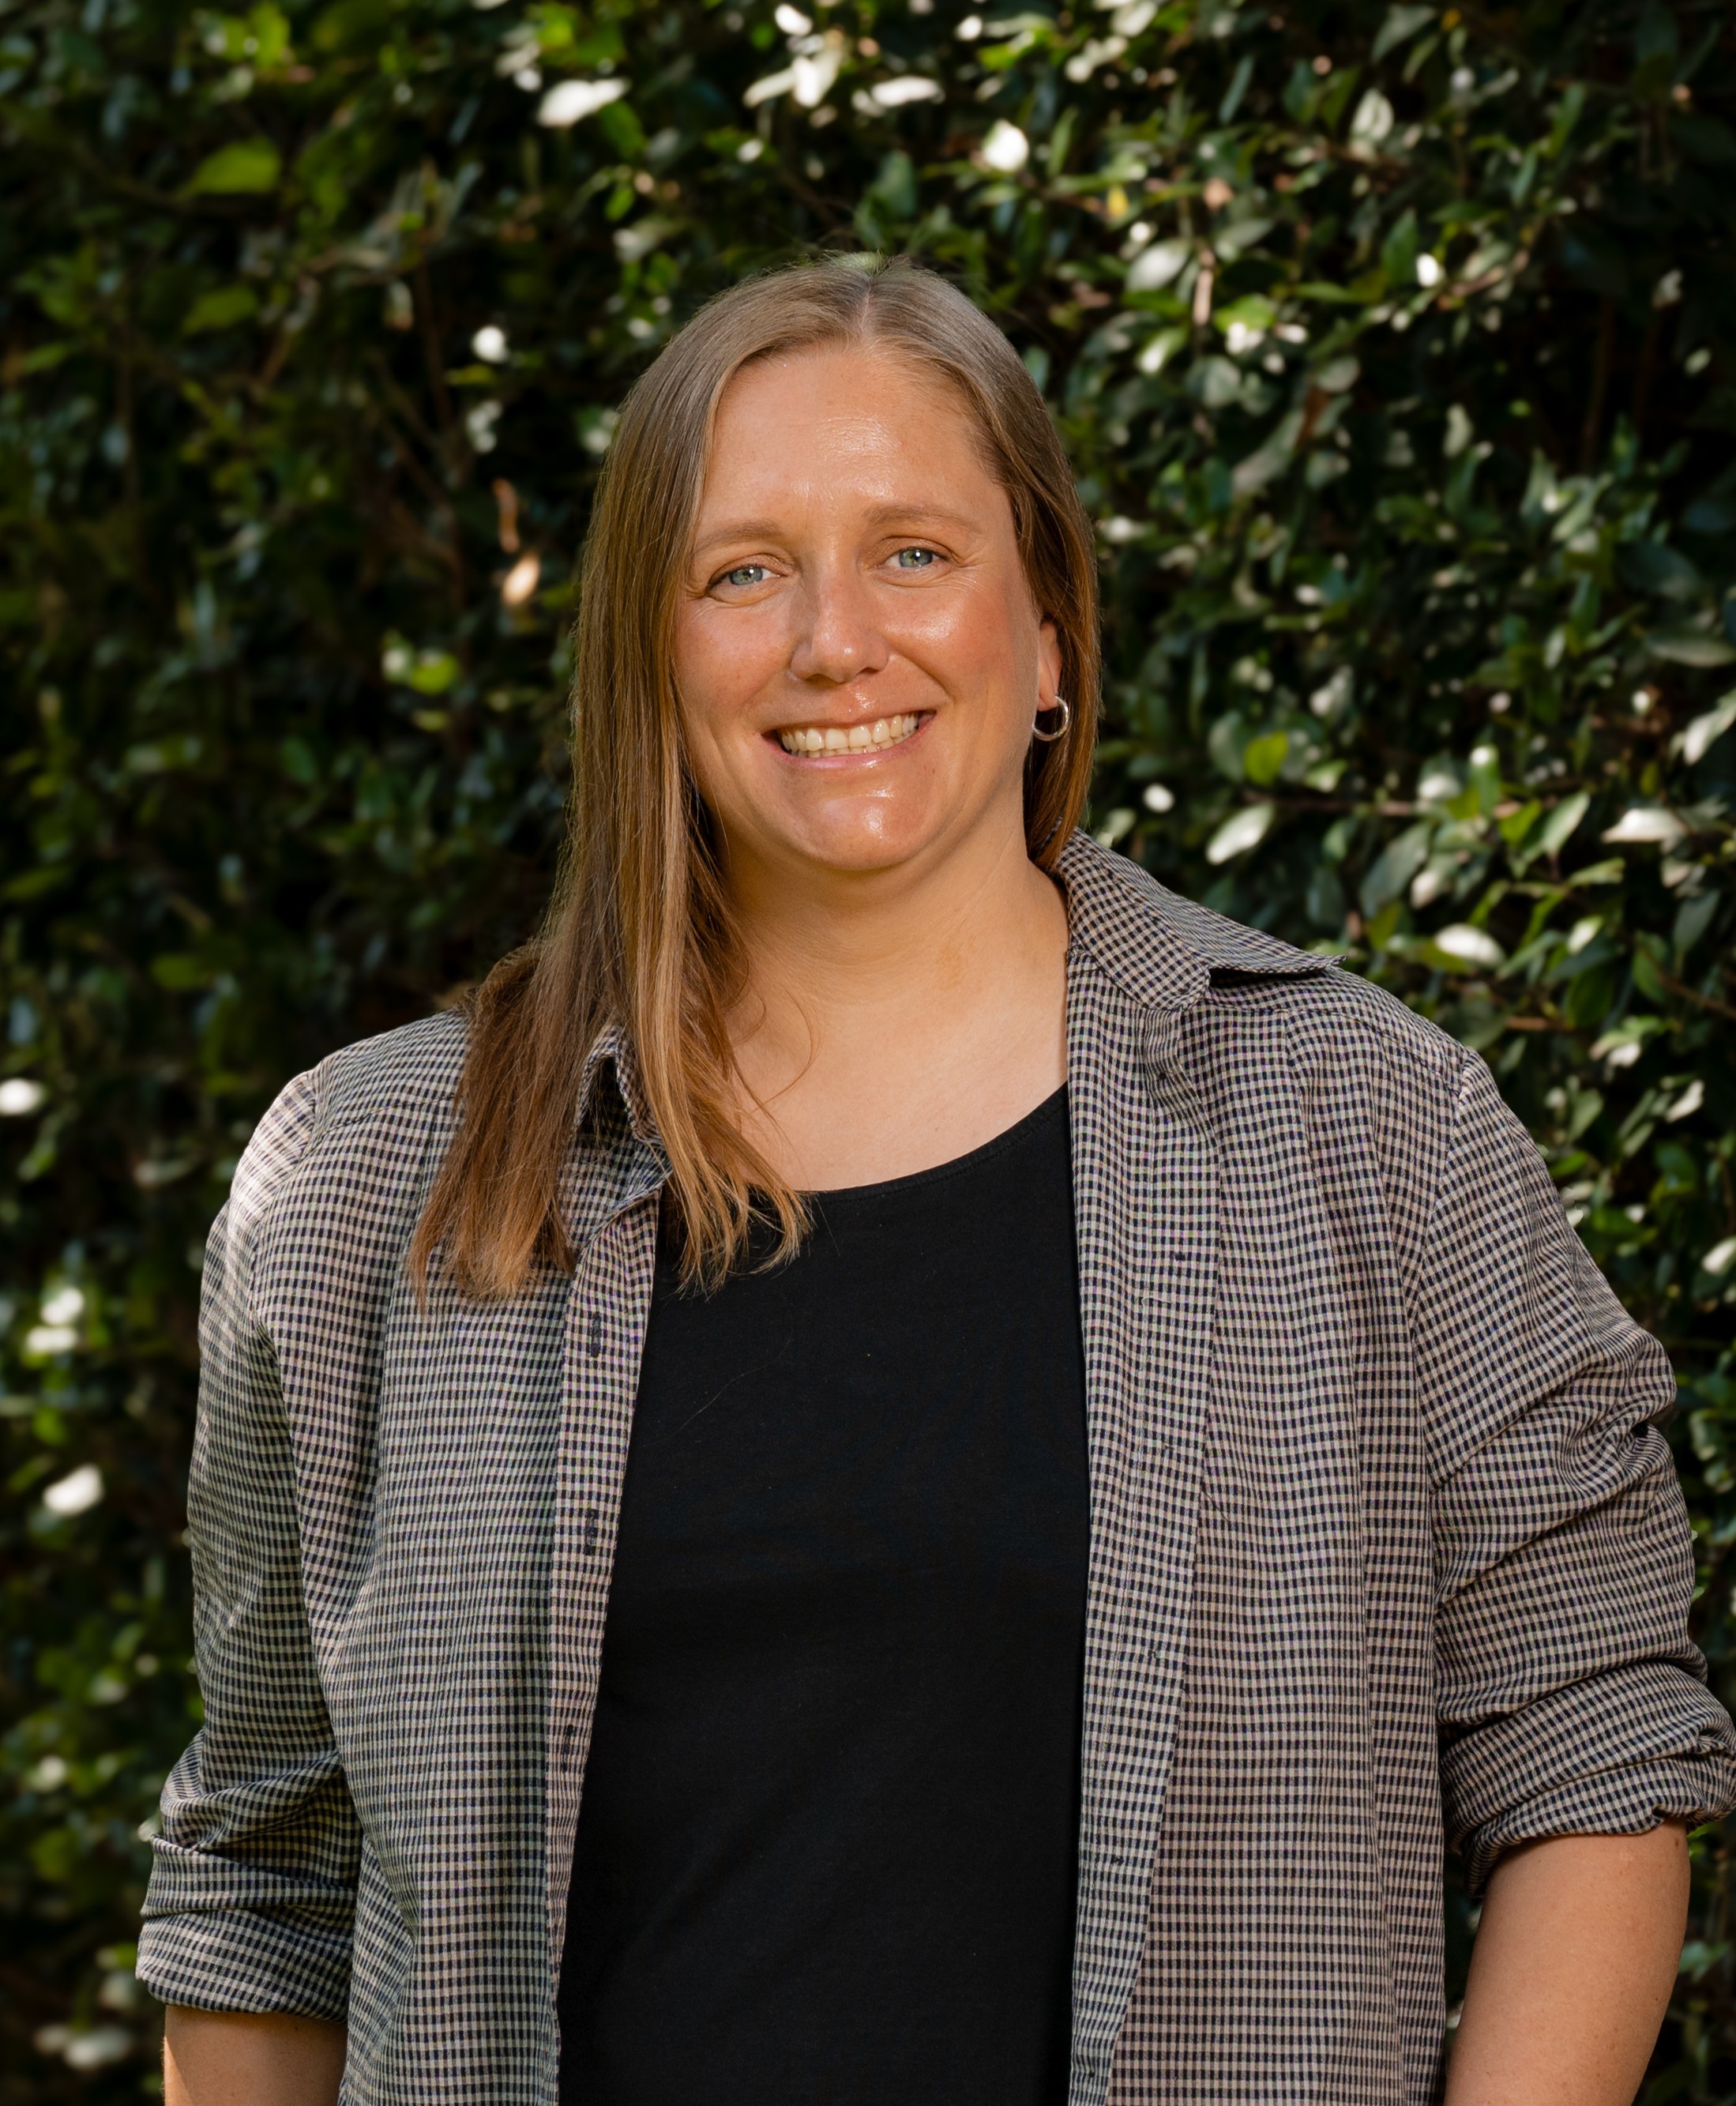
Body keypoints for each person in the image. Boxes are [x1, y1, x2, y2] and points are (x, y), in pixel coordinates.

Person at [141, 255, 1734, 2106]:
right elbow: (264, 1892)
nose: (835, 641)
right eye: (742, 571)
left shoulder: (1369, 1135)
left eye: (914, 552)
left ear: (1047, 632)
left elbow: (1594, 1750)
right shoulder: (368, 1191)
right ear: (647, 657)